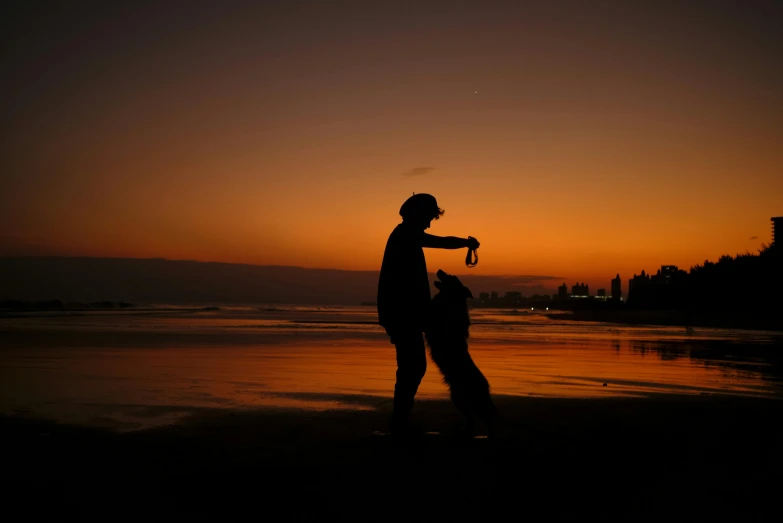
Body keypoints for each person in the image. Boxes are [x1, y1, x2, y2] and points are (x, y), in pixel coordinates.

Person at [377, 193, 480, 436]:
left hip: (405, 312)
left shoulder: (406, 235)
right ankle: (399, 420)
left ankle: (400, 418)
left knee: (412, 366)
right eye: (428, 217)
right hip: (402, 314)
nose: (429, 223)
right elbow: (442, 242)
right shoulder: (406, 234)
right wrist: (466, 243)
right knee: (412, 367)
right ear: (418, 214)